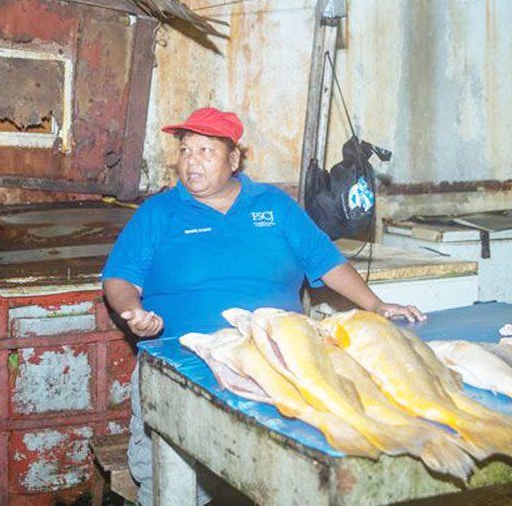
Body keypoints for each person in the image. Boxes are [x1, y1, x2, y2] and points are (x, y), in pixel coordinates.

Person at [102, 107, 425, 506]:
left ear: (233, 159)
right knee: (170, 486)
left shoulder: (274, 205)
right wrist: (131, 310)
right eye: (185, 151)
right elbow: (119, 278)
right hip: (179, 366)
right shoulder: (158, 212)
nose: (192, 162)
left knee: (284, 471)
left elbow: (327, 261)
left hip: (275, 361)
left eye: (206, 151)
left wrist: (376, 305)